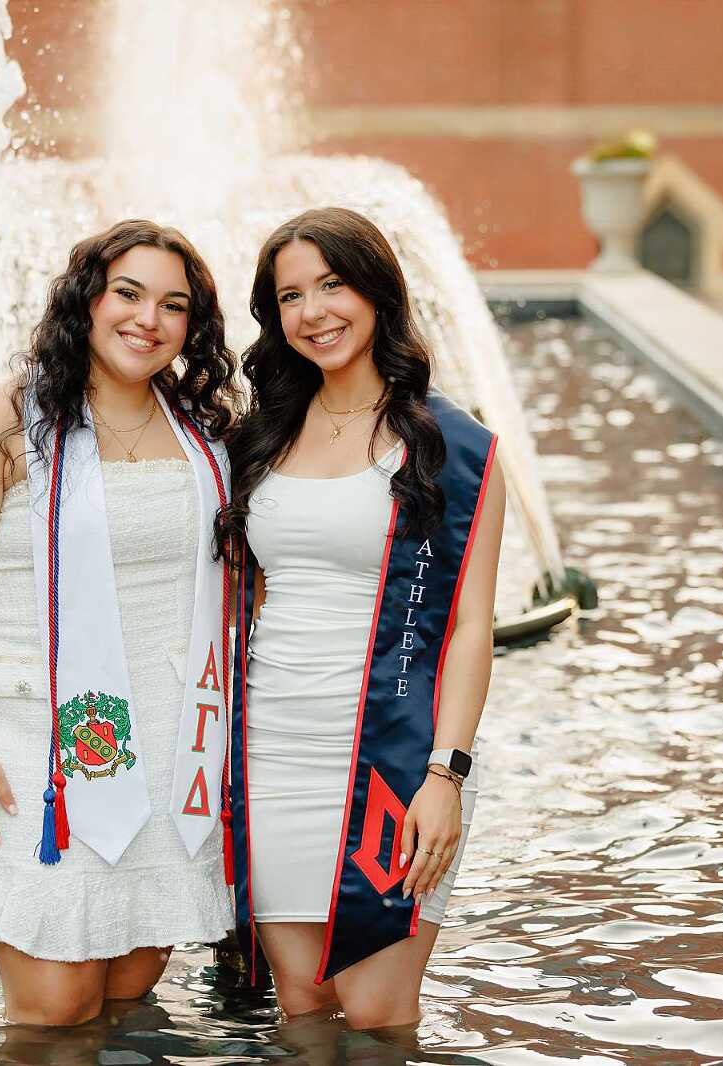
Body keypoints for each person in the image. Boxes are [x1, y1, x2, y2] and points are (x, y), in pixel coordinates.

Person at [0, 219, 239, 1026]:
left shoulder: (206, 432)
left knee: (126, 996)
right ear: (85, 300)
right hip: (39, 747)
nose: (147, 320)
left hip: (175, 745)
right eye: (127, 293)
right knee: (56, 1011)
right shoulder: (4, 423)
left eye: (173, 305)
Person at [217, 207, 506, 1029]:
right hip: (272, 750)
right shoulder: (260, 438)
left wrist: (446, 777)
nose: (314, 312)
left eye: (333, 285)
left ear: (377, 291)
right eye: (291, 296)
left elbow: (468, 629)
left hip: (393, 757)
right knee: (302, 1006)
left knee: (377, 1013)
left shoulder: (454, 447)